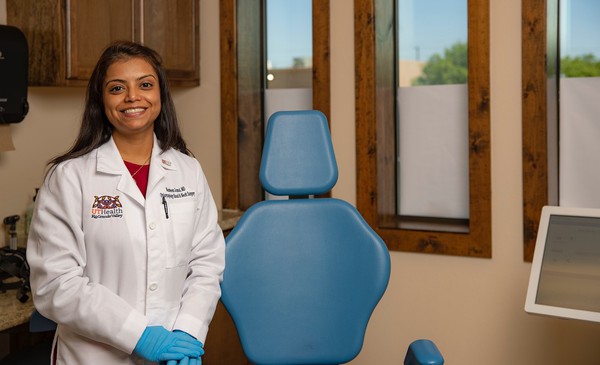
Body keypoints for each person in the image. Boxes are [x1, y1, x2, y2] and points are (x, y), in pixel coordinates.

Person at [26, 41, 225, 365]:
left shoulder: (187, 170)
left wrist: (188, 331)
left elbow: (206, 263)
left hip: (174, 357)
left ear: (160, 94)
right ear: (100, 99)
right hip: (92, 357)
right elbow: (55, 284)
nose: (133, 96)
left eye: (145, 84)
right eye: (117, 87)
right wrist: (139, 333)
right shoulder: (69, 177)